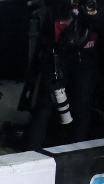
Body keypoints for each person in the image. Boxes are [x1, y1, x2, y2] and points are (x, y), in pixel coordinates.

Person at [23, 0, 102, 150]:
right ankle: (30, 152)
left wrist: (93, 14)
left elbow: (100, 24)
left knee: (81, 107)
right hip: (57, 54)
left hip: (86, 55)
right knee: (45, 105)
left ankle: (76, 154)